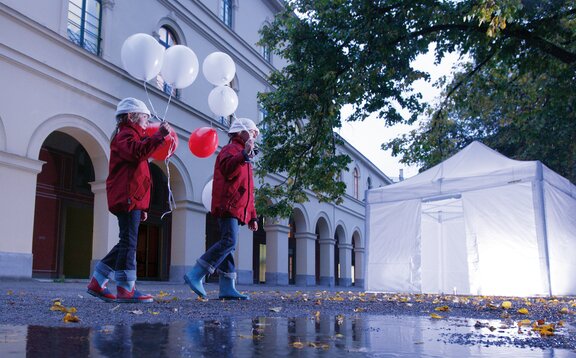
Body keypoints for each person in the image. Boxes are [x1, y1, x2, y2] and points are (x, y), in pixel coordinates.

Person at [87, 97, 172, 303]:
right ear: (130, 116)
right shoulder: (125, 135)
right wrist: (159, 135)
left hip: (131, 197)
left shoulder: (131, 135)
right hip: (127, 196)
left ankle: (98, 280)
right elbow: (137, 154)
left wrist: (142, 205)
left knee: (126, 241)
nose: (147, 121)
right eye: (144, 117)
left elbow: (139, 171)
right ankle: (125, 287)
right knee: (129, 242)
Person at [184, 118, 259, 300]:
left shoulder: (242, 155)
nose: (255, 134)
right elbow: (227, 169)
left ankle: (227, 287)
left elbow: (248, 189)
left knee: (229, 246)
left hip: (235, 206)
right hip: (228, 204)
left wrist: (252, 216)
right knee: (229, 242)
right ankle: (196, 273)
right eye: (252, 131)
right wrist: (244, 154)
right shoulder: (230, 150)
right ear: (240, 133)